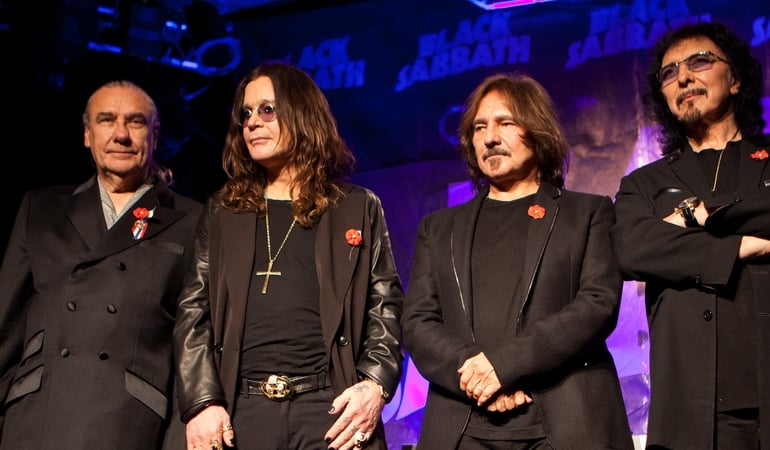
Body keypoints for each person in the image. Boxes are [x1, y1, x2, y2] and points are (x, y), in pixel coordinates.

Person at [169, 61, 404, 450]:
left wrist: (375, 385)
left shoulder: (357, 207)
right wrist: (202, 401)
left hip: (331, 410)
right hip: (240, 411)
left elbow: (387, 306)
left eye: (267, 110)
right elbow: (193, 311)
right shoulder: (223, 211)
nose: (252, 123)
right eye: (245, 114)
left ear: (302, 115)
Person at [401, 72, 634, 449]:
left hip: (566, 423)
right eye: (479, 127)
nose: (490, 137)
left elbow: (597, 305)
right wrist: (477, 376)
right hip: (464, 426)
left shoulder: (587, 213)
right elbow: (416, 322)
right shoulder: (440, 228)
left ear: (537, 130)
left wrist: (503, 365)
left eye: (505, 123)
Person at [610, 22, 770, 449]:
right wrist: (738, 246)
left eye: (699, 61)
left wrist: (696, 216)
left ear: (734, 80)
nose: (683, 77)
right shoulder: (645, 183)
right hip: (696, 415)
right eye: (668, 72)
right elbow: (631, 248)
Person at [0, 80, 203, 449]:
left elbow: (193, 342)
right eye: (107, 120)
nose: (121, 135)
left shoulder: (192, 220)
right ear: (87, 135)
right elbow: (5, 327)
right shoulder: (41, 209)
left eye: (135, 122)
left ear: (154, 136)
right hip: (36, 418)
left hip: (129, 422)